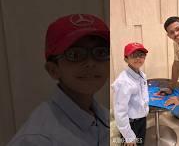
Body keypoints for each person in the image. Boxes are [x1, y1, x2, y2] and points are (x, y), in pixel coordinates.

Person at [8, 14, 110, 146]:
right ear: (53, 70)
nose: (90, 63)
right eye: (75, 54)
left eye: (101, 52)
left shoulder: (103, 116)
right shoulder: (36, 140)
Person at [112, 42, 149, 146]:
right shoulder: (123, 82)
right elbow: (120, 111)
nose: (138, 58)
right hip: (130, 124)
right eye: (133, 55)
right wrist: (128, 136)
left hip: (142, 118)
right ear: (126, 59)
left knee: (140, 143)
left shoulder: (142, 75)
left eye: (141, 55)